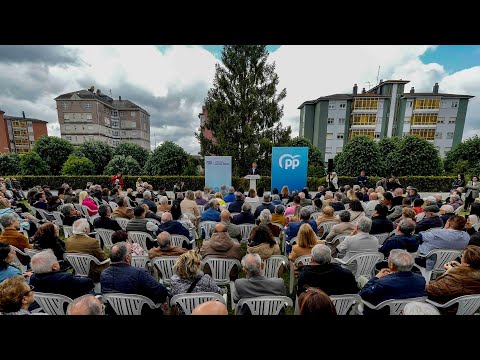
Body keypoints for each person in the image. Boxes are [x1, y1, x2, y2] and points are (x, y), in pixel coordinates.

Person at [101, 242, 168, 313]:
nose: (132, 255)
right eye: (131, 252)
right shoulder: (139, 273)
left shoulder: (104, 274)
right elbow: (162, 292)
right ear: (127, 258)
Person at [358, 249, 426, 315]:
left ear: (391, 265)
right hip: (408, 311)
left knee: (361, 279)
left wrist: (376, 277)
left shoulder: (383, 283)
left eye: (388, 259)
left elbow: (363, 294)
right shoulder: (421, 279)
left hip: (381, 311)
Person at [426, 245, 480, 314]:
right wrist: (460, 268)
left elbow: (430, 289)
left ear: (467, 264)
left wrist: (448, 272)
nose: (460, 258)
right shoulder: (473, 276)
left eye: (462, 256)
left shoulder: (455, 279)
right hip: (469, 309)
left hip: (447, 308)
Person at [30, 250, 94, 300]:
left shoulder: (33, 278)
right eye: (57, 261)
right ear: (54, 266)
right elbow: (89, 283)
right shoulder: (65, 278)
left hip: (49, 308)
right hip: (71, 306)